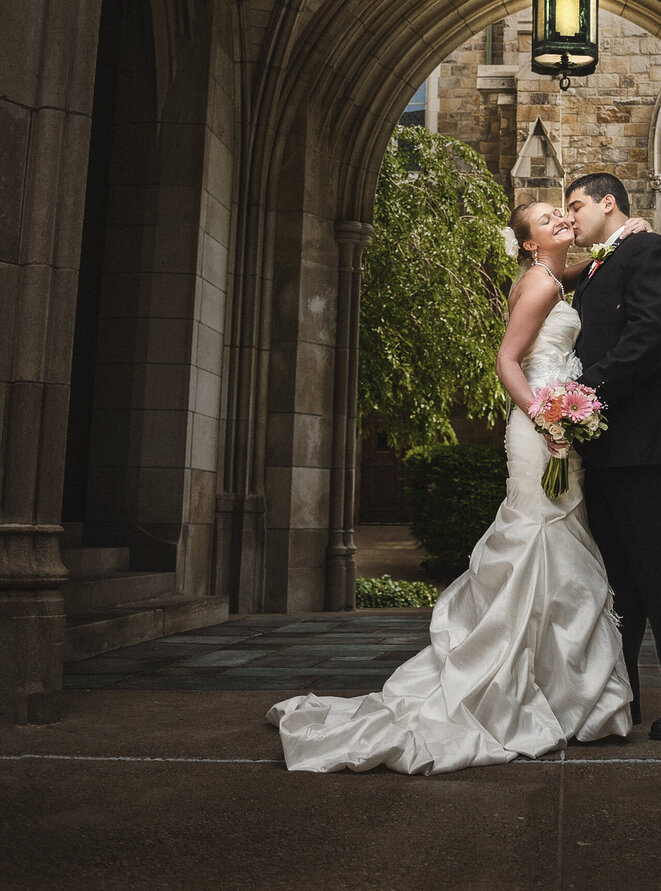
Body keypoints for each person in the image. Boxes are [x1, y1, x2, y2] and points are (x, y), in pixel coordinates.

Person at [267, 199, 632, 773]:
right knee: (541, 542)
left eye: (562, 212)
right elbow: (507, 361)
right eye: (546, 219)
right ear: (531, 243)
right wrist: (550, 419)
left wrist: (621, 236)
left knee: (553, 544)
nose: (561, 218)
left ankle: (549, 686)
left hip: (550, 428)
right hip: (541, 431)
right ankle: (536, 690)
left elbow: (591, 269)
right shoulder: (541, 285)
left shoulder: (549, 278)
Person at [567, 170, 661, 740]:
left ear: (610, 203)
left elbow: (649, 337)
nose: (571, 216)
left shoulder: (651, 251)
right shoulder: (602, 263)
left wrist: (585, 394)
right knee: (618, 586)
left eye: (577, 205)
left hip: (648, 448)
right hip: (606, 449)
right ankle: (619, 697)